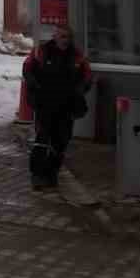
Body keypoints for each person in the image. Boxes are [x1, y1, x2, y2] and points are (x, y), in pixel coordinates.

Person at [22, 25, 92, 190]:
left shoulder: (77, 56)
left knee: (61, 142)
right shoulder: (42, 51)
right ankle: (37, 176)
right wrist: (35, 87)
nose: (64, 40)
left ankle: (51, 175)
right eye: (61, 36)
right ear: (55, 36)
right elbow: (27, 69)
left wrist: (79, 91)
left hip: (66, 107)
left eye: (67, 37)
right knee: (42, 140)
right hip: (44, 105)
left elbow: (87, 77)